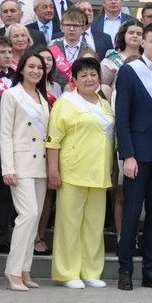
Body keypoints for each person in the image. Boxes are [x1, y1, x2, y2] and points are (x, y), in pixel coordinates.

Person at [114, 23, 152, 291]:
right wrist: (127, 155)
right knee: (131, 214)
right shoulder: (128, 71)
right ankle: (125, 269)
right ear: (143, 43)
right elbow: (122, 117)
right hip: (137, 155)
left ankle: (150, 270)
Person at [47, 57, 115, 289]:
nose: (89, 79)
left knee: (94, 225)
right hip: (72, 172)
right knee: (69, 223)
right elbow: (53, 141)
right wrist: (53, 171)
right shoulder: (65, 103)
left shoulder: (104, 104)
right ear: (74, 79)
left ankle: (91, 270)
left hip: (99, 172)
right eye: (83, 75)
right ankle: (68, 272)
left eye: (93, 74)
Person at [0, 51, 51, 291]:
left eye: (39, 68)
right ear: (21, 69)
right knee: (27, 215)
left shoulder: (42, 96)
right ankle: (12, 271)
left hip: (39, 165)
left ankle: (25, 269)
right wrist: (7, 167)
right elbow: (6, 133)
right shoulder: (12, 95)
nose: (36, 71)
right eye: (31, 66)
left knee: (35, 218)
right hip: (20, 164)